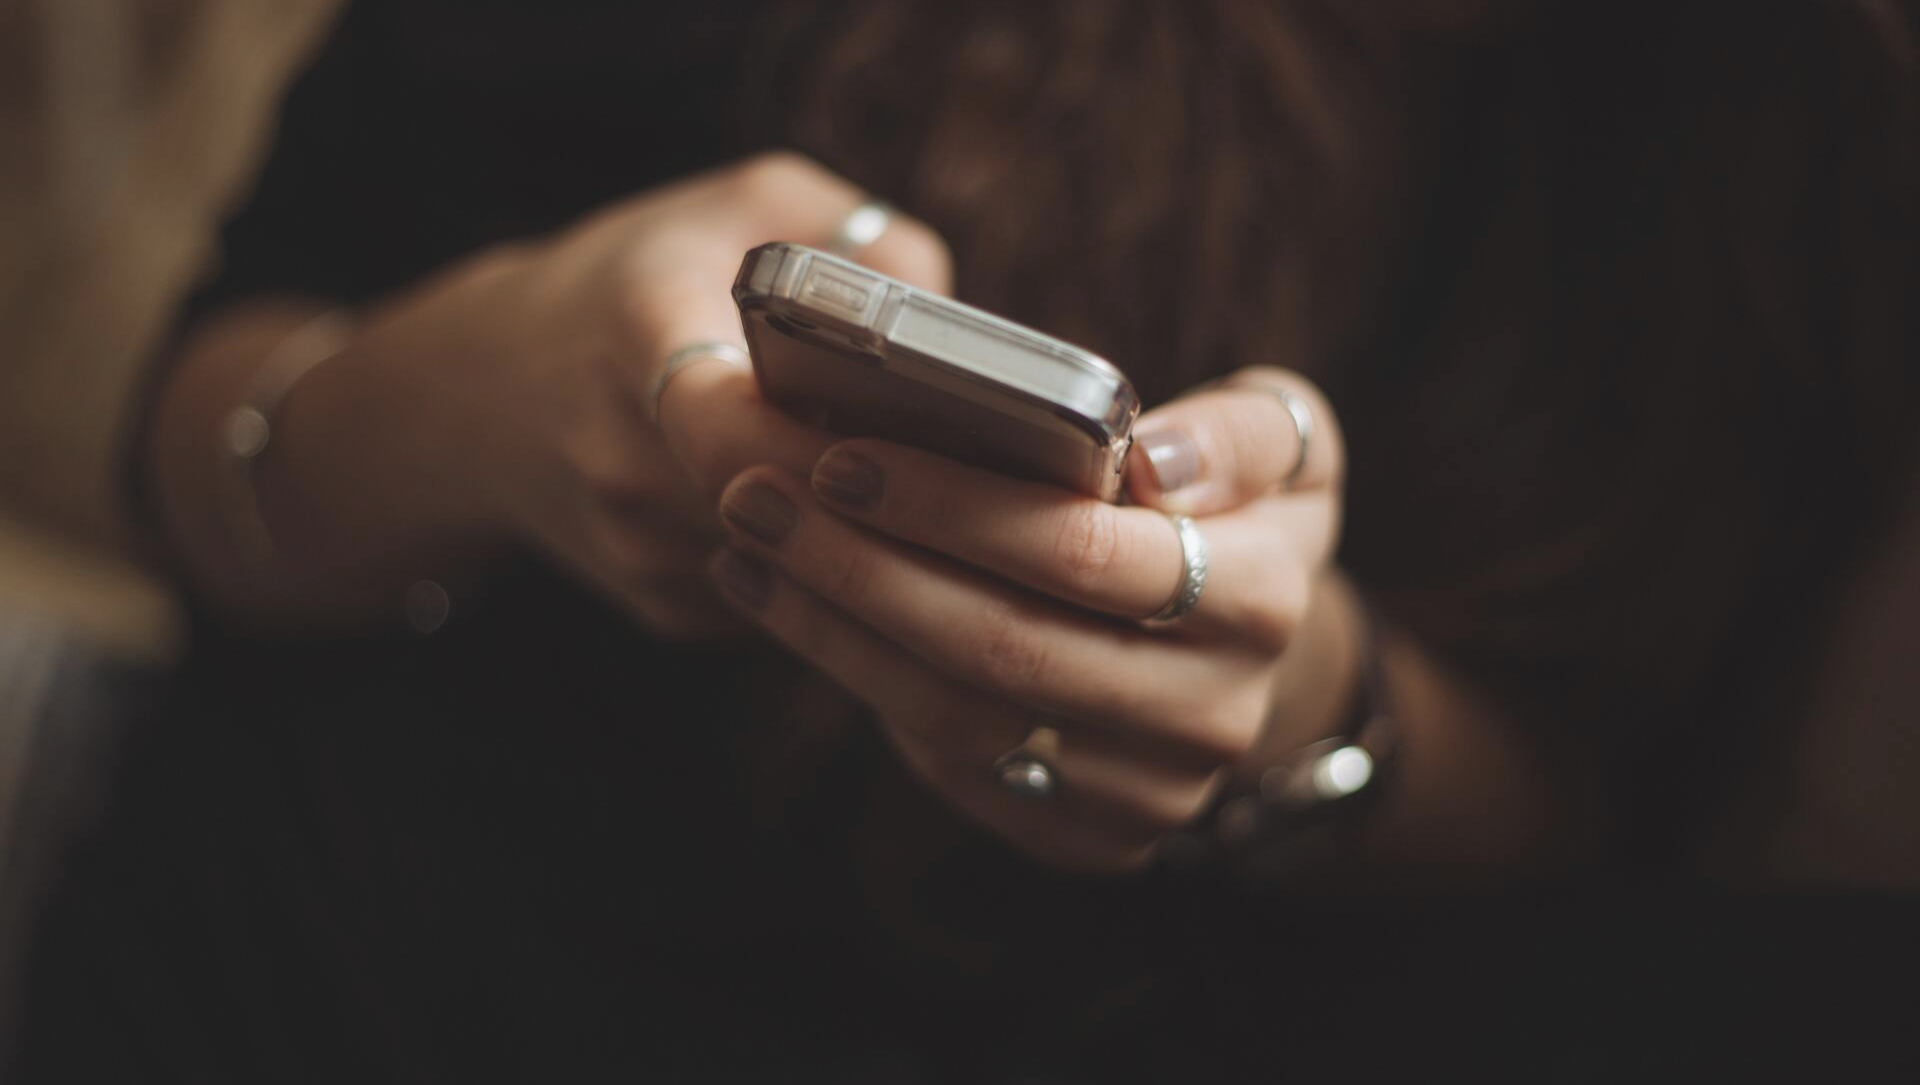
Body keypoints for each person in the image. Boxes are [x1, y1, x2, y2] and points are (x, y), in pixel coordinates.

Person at [18, 0, 1920, 1079]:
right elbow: (196, 467)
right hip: (344, 980)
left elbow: (1626, 825)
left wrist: (1296, 705)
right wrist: (511, 386)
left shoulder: (1802, 116)